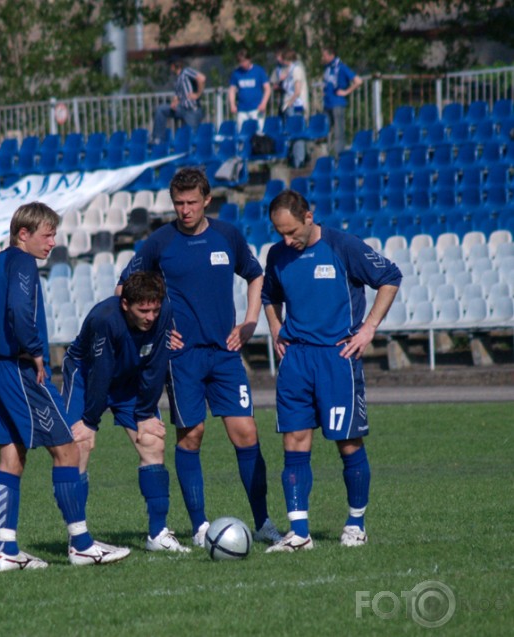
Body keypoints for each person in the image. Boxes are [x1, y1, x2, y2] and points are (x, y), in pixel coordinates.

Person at [117, 167, 281, 547]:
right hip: (182, 358)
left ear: (207, 200)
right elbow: (124, 289)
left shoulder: (227, 236)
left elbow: (255, 275)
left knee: (246, 433)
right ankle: (200, 527)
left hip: (225, 354)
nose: (185, 210)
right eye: (178, 203)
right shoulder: (160, 242)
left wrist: (250, 321)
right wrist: (155, 330)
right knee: (192, 435)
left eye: (191, 202)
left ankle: (263, 522)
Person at [0, 202, 130, 570]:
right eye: (47, 234)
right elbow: (21, 309)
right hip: (22, 370)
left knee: (11, 457)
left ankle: (7, 550)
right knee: (67, 449)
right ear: (24, 234)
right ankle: (82, 545)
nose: (52, 242)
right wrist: (33, 352)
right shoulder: (22, 263)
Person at [260, 190, 402, 552]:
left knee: (348, 442)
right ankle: (299, 532)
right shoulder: (277, 255)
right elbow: (268, 296)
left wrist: (369, 327)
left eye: (291, 231)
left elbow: (390, 276)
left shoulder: (343, 246)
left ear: (309, 216)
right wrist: (276, 329)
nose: (286, 240)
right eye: (280, 233)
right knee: (293, 442)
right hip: (296, 362)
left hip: (337, 359)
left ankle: (356, 524)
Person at [61, 271, 190, 553]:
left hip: (130, 379)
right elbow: (100, 372)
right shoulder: (104, 319)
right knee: (79, 446)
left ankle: (158, 534)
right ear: (125, 304)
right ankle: (79, 539)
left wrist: (144, 415)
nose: (151, 317)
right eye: (143, 310)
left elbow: (156, 365)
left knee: (152, 442)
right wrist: (90, 422)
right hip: (87, 377)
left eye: (155, 309)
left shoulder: (164, 310)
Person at [152, 57, 206, 145]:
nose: (170, 68)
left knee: (191, 139)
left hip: (192, 110)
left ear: (174, 66)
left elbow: (202, 78)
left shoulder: (186, 71)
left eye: (171, 66)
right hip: (182, 108)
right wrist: (174, 102)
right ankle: (158, 138)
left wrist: (197, 94)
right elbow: (178, 96)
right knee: (161, 110)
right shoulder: (178, 78)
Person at [321, 46, 363, 156]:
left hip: (337, 102)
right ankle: (326, 153)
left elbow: (358, 81)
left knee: (339, 131)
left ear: (331, 55)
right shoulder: (327, 68)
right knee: (324, 129)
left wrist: (346, 92)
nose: (323, 57)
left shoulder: (341, 67)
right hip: (328, 103)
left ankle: (339, 155)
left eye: (325, 55)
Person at [228, 48, 271, 133]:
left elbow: (267, 88)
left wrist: (263, 103)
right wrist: (232, 104)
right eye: (240, 62)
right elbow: (232, 89)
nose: (242, 64)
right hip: (242, 109)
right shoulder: (236, 73)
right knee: (242, 132)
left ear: (249, 59)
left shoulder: (258, 71)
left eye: (244, 61)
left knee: (258, 132)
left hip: (257, 108)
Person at [280, 49, 310, 168]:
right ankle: (295, 159)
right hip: (289, 104)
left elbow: (297, 90)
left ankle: (299, 160)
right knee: (291, 133)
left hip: (296, 105)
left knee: (297, 133)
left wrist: (290, 103)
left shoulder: (297, 69)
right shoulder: (288, 70)